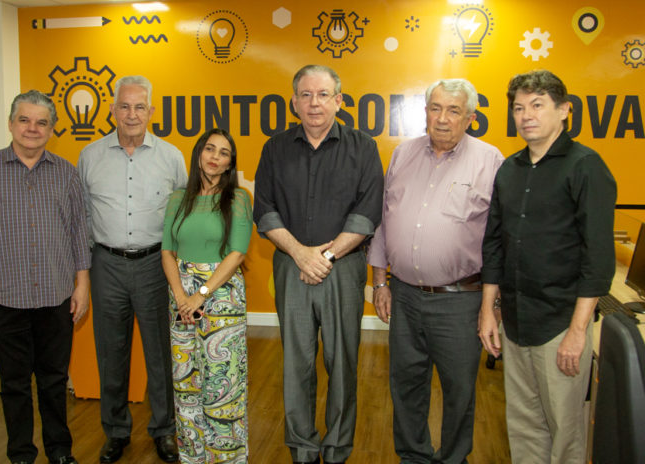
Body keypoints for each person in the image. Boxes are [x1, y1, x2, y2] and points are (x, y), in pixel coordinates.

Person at [479, 70, 617, 464]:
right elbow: (494, 245)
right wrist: (489, 311)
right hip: (517, 322)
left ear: (564, 111)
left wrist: (577, 332)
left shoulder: (586, 166)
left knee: (566, 431)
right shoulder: (509, 168)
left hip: (561, 326)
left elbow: (598, 258)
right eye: (519, 108)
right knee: (523, 425)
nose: (526, 116)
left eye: (537, 105)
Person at [368, 79, 504, 464]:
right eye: (435, 108)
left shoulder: (490, 161)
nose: (442, 119)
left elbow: (500, 238)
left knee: (459, 390)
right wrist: (380, 280)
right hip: (405, 296)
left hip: (461, 301)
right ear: (425, 111)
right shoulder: (402, 154)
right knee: (406, 386)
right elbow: (385, 220)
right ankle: (413, 456)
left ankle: (453, 459)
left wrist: (492, 305)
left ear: (471, 118)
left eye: (453, 110)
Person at [253, 64, 384, 464]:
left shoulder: (363, 147)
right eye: (306, 95)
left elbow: (367, 211)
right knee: (296, 363)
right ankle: (304, 448)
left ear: (339, 101)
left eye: (323, 94)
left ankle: (337, 448)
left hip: (342, 269)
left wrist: (324, 256)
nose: (314, 103)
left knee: (342, 363)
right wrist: (300, 253)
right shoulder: (275, 148)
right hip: (291, 267)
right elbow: (264, 209)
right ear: (294, 102)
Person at [0, 90, 89, 464]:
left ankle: (60, 453)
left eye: (41, 122)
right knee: (13, 386)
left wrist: (82, 285)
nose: (32, 128)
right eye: (25, 120)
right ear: (11, 123)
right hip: (2, 299)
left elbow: (79, 233)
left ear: (52, 129)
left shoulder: (66, 173)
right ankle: (21, 455)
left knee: (53, 382)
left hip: (55, 298)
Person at [77, 75, 187, 463]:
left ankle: (164, 430)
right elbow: (79, 217)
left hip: (157, 266)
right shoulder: (89, 156)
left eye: (140, 107)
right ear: (112, 111)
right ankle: (116, 431)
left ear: (151, 111)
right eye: (124, 106)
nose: (132, 114)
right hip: (105, 263)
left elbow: (182, 219)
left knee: (160, 354)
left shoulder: (171, 157)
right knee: (111, 352)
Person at [161, 128, 252, 464]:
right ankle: (192, 457)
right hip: (180, 299)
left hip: (221, 297)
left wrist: (200, 294)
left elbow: (237, 254)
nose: (215, 156)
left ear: (230, 163)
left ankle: (226, 458)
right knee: (186, 384)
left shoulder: (239, 199)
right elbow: (167, 250)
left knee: (222, 384)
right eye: (209, 149)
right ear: (199, 153)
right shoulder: (177, 199)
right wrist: (180, 296)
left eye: (224, 152)